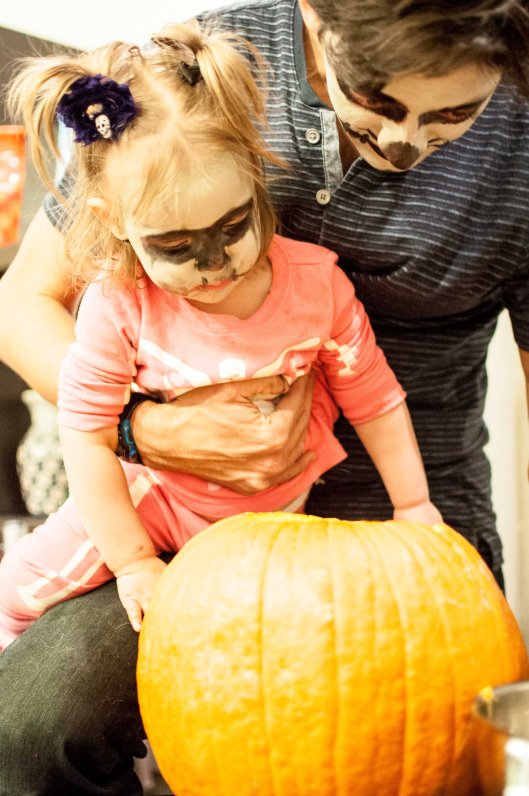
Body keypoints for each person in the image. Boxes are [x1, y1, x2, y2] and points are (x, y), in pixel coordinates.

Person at [0, 0, 527, 793]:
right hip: (177, 523)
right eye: (376, 99)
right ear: (317, 19)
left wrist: (417, 512)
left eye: (453, 114)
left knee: (417, 756)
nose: (403, 142)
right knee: (30, 727)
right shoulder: (182, 84)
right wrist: (145, 431)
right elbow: (21, 304)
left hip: (408, 533)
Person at [0, 20, 441, 650]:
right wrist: (133, 561)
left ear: (255, 182)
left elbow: (374, 398)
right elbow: (86, 434)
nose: (213, 263)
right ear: (114, 221)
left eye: (233, 227)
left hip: (272, 520)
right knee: (15, 592)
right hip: (148, 502)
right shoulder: (117, 304)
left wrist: (414, 505)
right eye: (176, 245)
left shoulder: (318, 287)